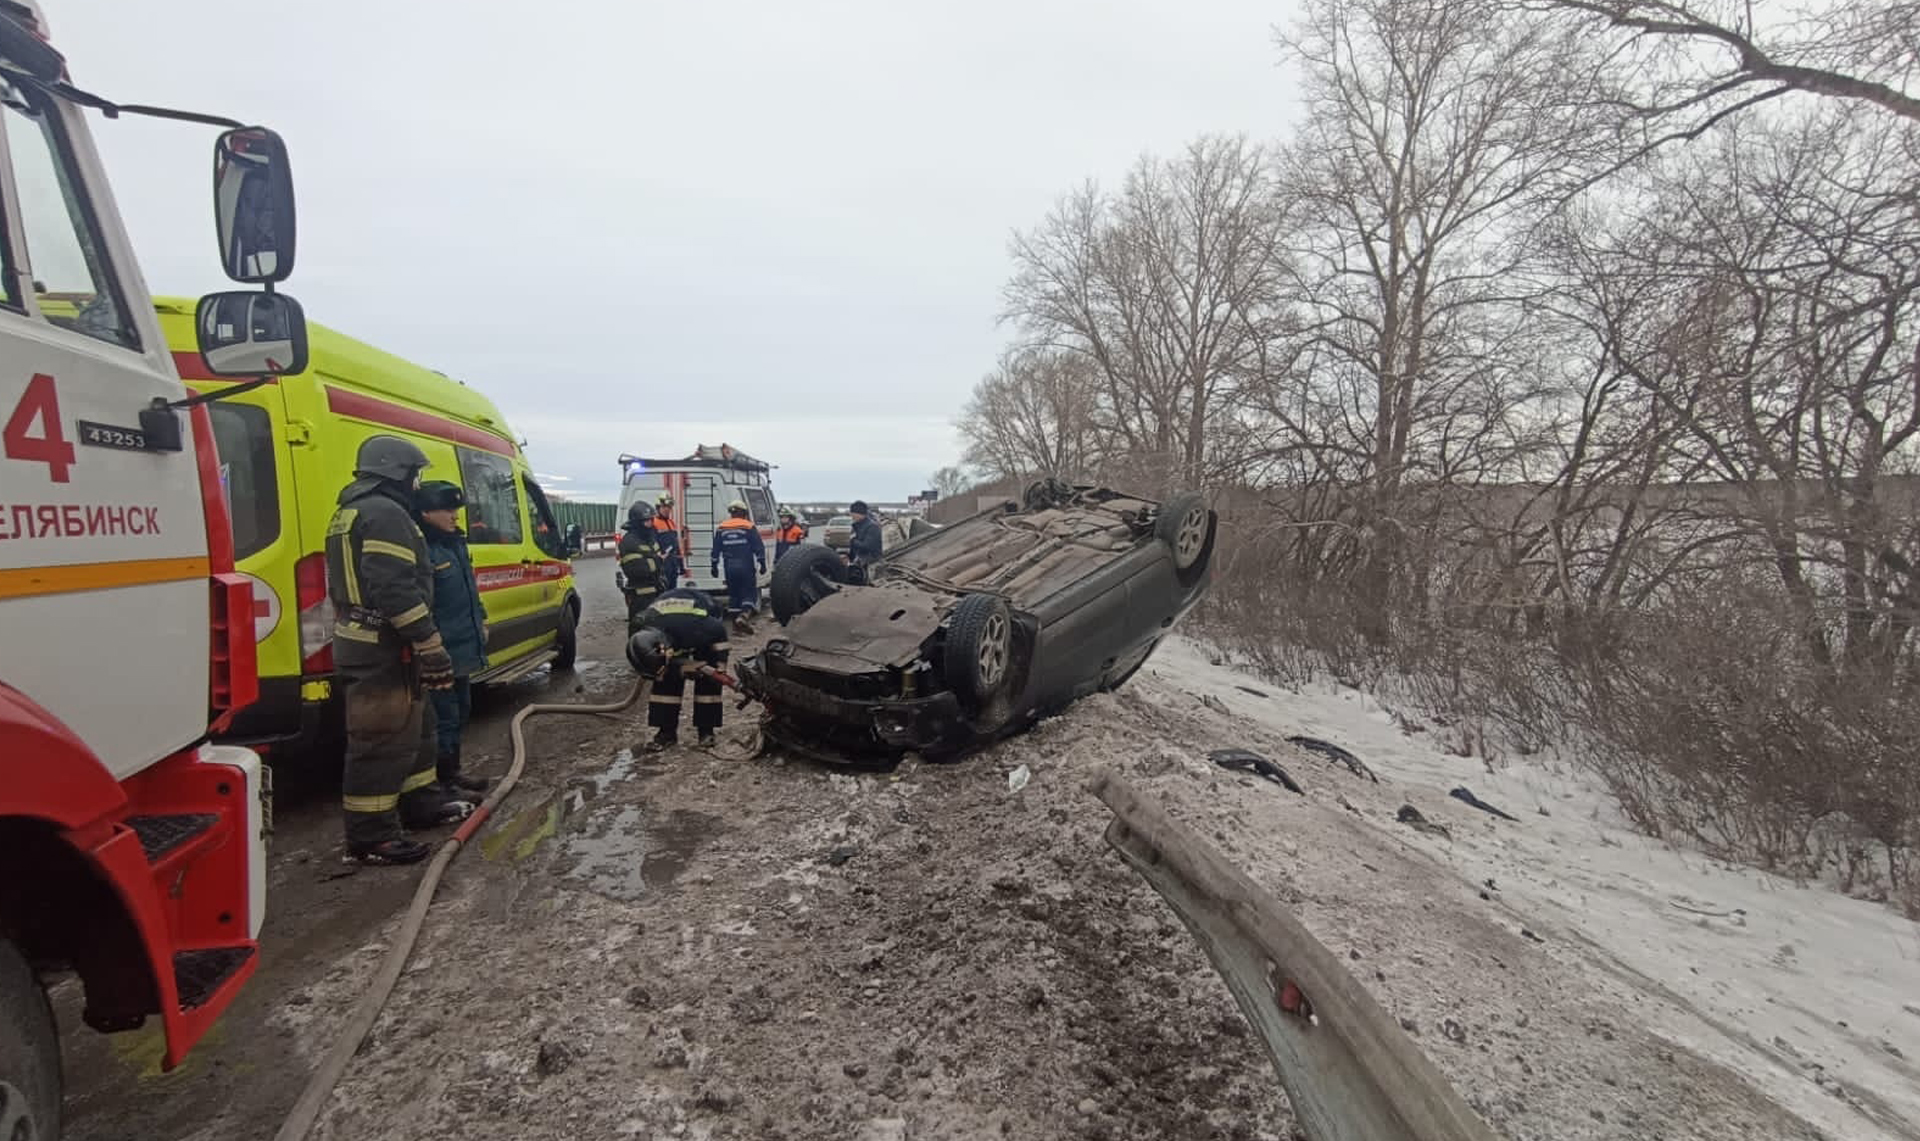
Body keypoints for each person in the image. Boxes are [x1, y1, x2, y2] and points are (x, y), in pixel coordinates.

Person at [326, 436, 474, 866]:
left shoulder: (354, 511)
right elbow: (392, 588)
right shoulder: (384, 514)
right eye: (415, 474)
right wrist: (429, 643)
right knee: (381, 740)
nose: (417, 483)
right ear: (398, 472)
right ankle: (372, 836)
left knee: (419, 728)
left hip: (385, 643)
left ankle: (420, 802)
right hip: (381, 647)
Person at [414, 480, 491, 796]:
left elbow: (469, 590)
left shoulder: (454, 544)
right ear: (425, 512)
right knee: (442, 717)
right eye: (447, 510)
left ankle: (452, 771)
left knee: (460, 709)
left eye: (456, 509)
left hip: (460, 646)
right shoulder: (421, 547)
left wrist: (481, 618)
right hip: (438, 651)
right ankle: (441, 783)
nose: (454, 516)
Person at [625, 588, 731, 751]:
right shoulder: (639, 626)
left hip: (703, 630)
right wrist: (677, 668)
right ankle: (666, 733)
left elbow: (720, 636)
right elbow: (642, 652)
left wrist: (718, 669)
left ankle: (706, 731)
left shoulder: (702, 628)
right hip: (671, 628)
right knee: (664, 681)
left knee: (709, 682)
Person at [711, 498, 767, 632]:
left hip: (729, 566)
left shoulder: (722, 528)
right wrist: (762, 563)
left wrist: (713, 566)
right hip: (745, 565)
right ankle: (744, 615)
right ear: (743, 512)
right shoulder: (748, 526)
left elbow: (715, 549)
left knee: (734, 594)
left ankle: (735, 627)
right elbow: (758, 546)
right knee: (748, 591)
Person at [617, 501, 668, 634]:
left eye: (652, 520)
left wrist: (657, 562)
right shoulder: (629, 542)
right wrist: (658, 562)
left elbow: (655, 557)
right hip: (640, 597)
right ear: (637, 523)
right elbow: (637, 570)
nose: (651, 524)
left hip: (656, 592)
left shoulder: (649, 538)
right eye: (647, 521)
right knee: (639, 630)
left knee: (658, 630)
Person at [652, 492, 687, 585]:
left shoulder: (671, 523)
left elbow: (675, 545)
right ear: (658, 508)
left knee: (672, 590)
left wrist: (681, 565)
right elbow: (652, 543)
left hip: (673, 563)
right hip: (662, 564)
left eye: (669, 507)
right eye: (664, 507)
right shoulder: (653, 523)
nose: (667, 510)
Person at [846, 499, 884, 580]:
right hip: (861, 562)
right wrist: (849, 557)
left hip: (871, 564)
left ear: (859, 514)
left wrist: (852, 541)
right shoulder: (857, 526)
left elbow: (867, 546)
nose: (851, 516)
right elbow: (855, 547)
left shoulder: (872, 527)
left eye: (852, 513)